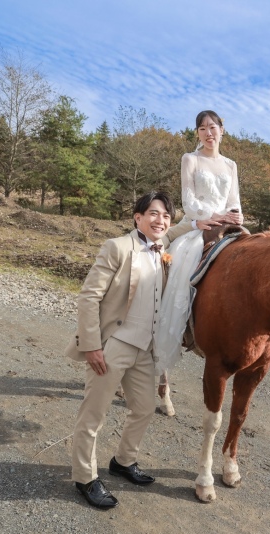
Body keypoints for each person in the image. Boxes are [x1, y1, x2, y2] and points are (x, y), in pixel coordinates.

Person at [65, 192, 200, 510]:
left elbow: (183, 228)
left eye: (165, 215)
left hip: (145, 348)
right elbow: (88, 298)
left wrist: (209, 220)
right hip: (113, 345)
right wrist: (93, 346)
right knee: (93, 415)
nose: (160, 220)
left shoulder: (164, 246)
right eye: (153, 213)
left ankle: (123, 461)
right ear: (137, 217)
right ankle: (85, 478)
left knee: (144, 407)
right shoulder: (118, 247)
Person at [154, 110, 244, 372]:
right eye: (202, 128)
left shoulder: (230, 165)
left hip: (226, 223)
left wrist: (234, 216)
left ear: (222, 131)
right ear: (197, 133)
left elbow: (235, 200)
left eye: (213, 127)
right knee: (182, 258)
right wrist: (211, 216)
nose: (208, 133)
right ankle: (174, 322)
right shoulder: (190, 159)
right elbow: (189, 202)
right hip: (197, 222)